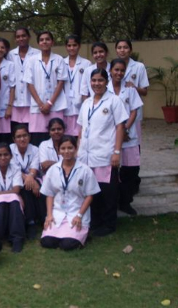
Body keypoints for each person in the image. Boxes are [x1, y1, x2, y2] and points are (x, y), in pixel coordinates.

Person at [78, 68, 128, 236]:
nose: (97, 84)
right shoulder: (86, 103)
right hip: (86, 155)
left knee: (108, 191)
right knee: (92, 191)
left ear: (107, 82)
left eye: (100, 80)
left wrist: (116, 152)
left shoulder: (114, 101)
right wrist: (78, 150)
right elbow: (81, 128)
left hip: (105, 153)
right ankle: (95, 222)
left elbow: (120, 126)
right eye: (94, 81)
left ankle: (109, 224)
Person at [40, 136, 101, 250]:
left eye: (70, 148)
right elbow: (49, 194)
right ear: (59, 150)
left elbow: (90, 195)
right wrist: (49, 215)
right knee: (47, 242)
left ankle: (82, 235)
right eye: (63, 148)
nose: (66, 151)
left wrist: (79, 215)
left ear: (76, 149)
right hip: (57, 213)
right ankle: (62, 234)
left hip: (76, 213)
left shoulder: (85, 170)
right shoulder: (53, 170)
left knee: (68, 245)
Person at [108, 58, 143, 215]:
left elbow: (134, 110)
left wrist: (126, 129)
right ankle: (112, 202)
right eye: (116, 70)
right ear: (110, 71)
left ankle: (125, 202)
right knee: (112, 172)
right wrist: (119, 132)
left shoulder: (130, 89)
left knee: (130, 171)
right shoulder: (104, 89)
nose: (119, 73)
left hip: (129, 137)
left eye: (122, 70)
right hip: (111, 136)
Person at [24, 31, 68, 146]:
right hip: (38, 107)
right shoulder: (31, 60)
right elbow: (29, 84)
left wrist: (50, 103)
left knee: (57, 136)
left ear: (52, 42)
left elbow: (61, 82)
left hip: (55, 105)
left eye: (47, 39)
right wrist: (40, 104)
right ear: (38, 43)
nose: (45, 42)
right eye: (42, 40)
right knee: (38, 138)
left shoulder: (59, 59)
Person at [0, 143, 25, 252]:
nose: (3, 158)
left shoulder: (16, 168)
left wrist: (0, 193)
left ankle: (17, 239)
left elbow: (16, 189)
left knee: (14, 201)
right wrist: (13, 193)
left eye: (6, 155)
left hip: (6, 198)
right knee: (5, 200)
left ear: (11, 156)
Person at [9, 124, 43, 239]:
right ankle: (30, 222)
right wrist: (28, 178)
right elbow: (14, 169)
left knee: (37, 188)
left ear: (29, 136)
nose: (22, 139)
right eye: (18, 137)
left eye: (25, 135)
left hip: (32, 177)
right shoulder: (10, 149)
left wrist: (31, 177)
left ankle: (39, 219)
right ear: (14, 139)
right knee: (25, 187)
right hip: (15, 178)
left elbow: (34, 167)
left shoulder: (35, 149)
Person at [115, 39, 149, 145]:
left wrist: (134, 87)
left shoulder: (139, 67)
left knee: (134, 142)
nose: (122, 50)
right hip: (116, 111)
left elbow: (145, 91)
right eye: (119, 48)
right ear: (116, 50)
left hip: (133, 112)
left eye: (125, 47)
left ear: (130, 50)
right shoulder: (112, 67)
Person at [8, 28, 40, 130]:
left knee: (31, 130)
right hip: (15, 100)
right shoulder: (10, 54)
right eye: (18, 37)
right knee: (16, 130)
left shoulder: (37, 54)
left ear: (29, 37)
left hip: (31, 99)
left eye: (23, 36)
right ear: (15, 39)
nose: (21, 38)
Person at [63, 35, 91, 137]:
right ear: (66, 47)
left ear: (79, 46)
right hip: (64, 105)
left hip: (79, 104)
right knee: (66, 137)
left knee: (79, 136)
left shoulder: (86, 64)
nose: (72, 48)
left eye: (74, 45)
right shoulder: (61, 62)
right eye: (69, 45)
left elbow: (88, 86)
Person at [0, 37, 16, 144]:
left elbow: (12, 87)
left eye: (2, 47)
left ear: (6, 50)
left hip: (4, 106)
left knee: (5, 136)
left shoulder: (10, 65)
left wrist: (9, 107)